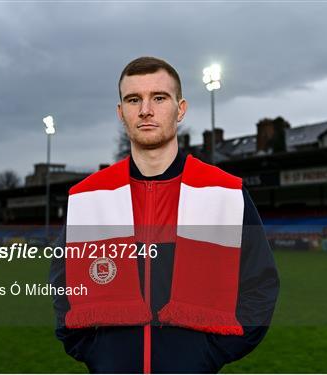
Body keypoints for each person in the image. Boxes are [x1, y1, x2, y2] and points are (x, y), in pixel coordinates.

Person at [50, 56, 279, 373]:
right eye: (134, 99)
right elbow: (64, 287)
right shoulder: (89, 197)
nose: (146, 109)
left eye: (159, 97)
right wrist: (96, 351)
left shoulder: (225, 193)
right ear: (121, 113)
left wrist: (207, 354)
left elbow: (261, 285)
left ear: (180, 109)